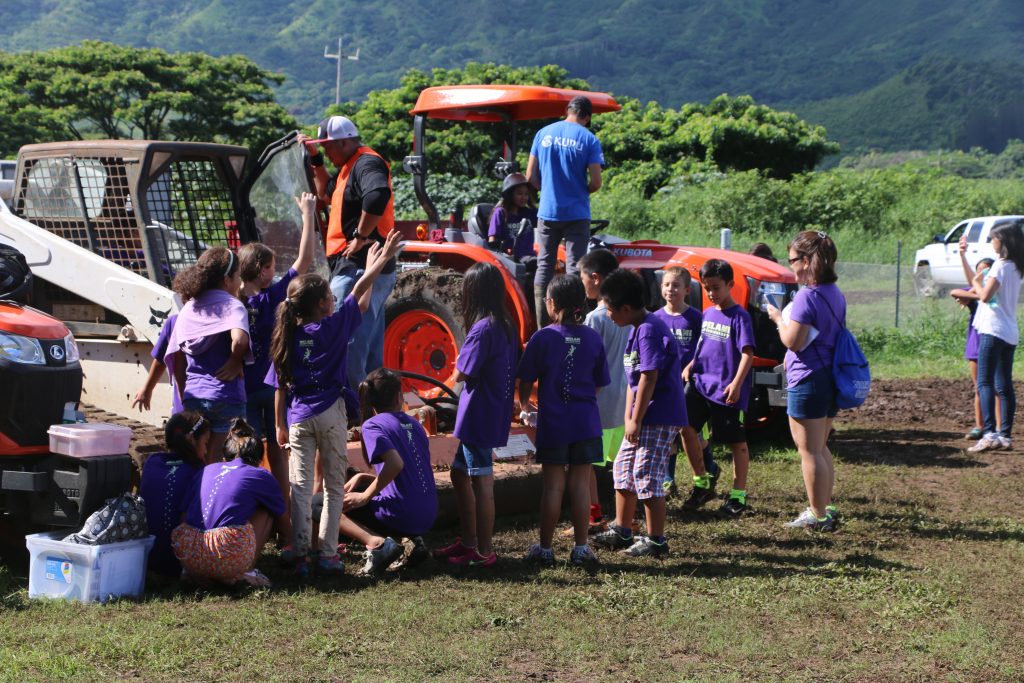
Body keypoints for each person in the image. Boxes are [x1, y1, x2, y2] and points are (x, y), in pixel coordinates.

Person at [269, 231, 402, 577]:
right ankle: (328, 555)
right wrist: (380, 262)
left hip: (299, 416)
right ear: (320, 305)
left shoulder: (288, 336)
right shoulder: (331, 329)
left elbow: (279, 385)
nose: (333, 298)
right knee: (331, 487)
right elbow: (358, 297)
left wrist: (280, 423)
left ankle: (300, 554)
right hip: (331, 414)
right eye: (329, 295)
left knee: (299, 488)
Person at [237, 191, 317, 547]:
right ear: (261, 270)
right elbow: (305, 259)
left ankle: (254, 524)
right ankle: (284, 527)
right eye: (271, 266)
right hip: (271, 391)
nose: (275, 270)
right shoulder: (272, 298)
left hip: (242, 389)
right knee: (278, 453)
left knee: (248, 456)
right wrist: (308, 214)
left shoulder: (233, 301)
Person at [592, 269, 687, 558]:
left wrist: (635, 418)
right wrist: (628, 416)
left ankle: (656, 540)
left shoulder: (649, 329)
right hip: (640, 416)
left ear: (625, 308)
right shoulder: (636, 330)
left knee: (646, 473)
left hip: (659, 415)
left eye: (609, 309)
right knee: (622, 468)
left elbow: (649, 377)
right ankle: (623, 530)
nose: (607, 315)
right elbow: (634, 379)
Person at [518, 275, 610, 567]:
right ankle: (581, 549)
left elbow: (525, 378)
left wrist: (524, 405)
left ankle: (545, 549)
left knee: (553, 487)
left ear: (552, 303)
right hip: (585, 422)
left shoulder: (543, 337)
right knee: (581, 486)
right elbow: (599, 383)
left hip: (554, 423)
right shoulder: (593, 337)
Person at [301, 116, 398, 389]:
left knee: (346, 335)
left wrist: (360, 236)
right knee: (366, 341)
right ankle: (372, 400)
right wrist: (316, 158)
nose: (328, 153)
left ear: (343, 142)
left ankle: (350, 402)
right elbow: (324, 194)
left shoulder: (366, 162)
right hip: (362, 265)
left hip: (360, 265)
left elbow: (377, 195)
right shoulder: (348, 167)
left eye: (328, 147)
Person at [432, 262, 517, 568]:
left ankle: (484, 550)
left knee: (481, 482)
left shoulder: (483, 328)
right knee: (459, 474)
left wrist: (457, 361)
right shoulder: (505, 323)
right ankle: (468, 541)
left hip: (479, 415)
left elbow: (464, 372)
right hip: (486, 412)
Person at [767, 231, 845, 530]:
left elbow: (792, 341)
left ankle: (818, 515)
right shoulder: (834, 292)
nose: (791, 268)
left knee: (809, 450)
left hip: (807, 378)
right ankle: (823, 506)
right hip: (828, 376)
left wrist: (777, 318)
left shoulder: (806, 297)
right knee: (820, 446)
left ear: (807, 260)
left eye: (792, 261)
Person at [341, 368, 438, 577]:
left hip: (403, 514)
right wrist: (361, 478)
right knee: (358, 488)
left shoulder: (372, 425)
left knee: (322, 504)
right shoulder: (414, 424)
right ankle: (413, 539)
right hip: (428, 513)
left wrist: (365, 497)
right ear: (398, 397)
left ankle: (377, 545)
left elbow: (395, 465)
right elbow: (405, 472)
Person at [680, 259, 756, 517]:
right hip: (700, 383)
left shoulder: (740, 317)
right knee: (685, 426)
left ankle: (738, 496)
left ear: (730, 285)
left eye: (716, 287)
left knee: (737, 443)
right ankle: (702, 482)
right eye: (707, 288)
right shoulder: (708, 313)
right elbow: (704, 344)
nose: (711, 293)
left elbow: (747, 354)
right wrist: (691, 364)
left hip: (726, 391)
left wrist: (736, 383)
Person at [172, 419, 285, 588]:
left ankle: (199, 574)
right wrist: (292, 542)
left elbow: (183, 514)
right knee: (267, 510)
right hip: (225, 552)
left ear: (225, 457)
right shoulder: (260, 474)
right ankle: (244, 572)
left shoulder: (207, 469)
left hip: (188, 553)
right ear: (259, 460)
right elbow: (281, 517)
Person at [165, 247, 251, 460]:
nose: (240, 282)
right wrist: (234, 360)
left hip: (195, 399)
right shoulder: (233, 306)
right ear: (226, 279)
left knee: (198, 462)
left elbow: (176, 357)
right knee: (222, 463)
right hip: (225, 397)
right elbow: (239, 339)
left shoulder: (187, 309)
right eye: (238, 276)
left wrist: (186, 392)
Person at [526, 95, 605, 326]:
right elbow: (597, 182)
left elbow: (530, 176)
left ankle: (542, 325)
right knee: (575, 268)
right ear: (587, 117)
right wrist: (579, 192)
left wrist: (548, 190)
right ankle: (573, 324)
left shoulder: (542, 134)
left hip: (548, 211)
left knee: (544, 265)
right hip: (576, 213)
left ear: (568, 110)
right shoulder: (589, 139)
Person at [650, 266, 720, 498]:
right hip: (666, 386)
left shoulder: (696, 318)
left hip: (692, 386)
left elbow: (705, 348)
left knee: (694, 435)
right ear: (661, 288)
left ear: (687, 290)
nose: (671, 289)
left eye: (676, 285)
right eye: (667, 284)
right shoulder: (656, 319)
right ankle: (669, 480)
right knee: (669, 432)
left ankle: (709, 468)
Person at [578, 249, 630, 531]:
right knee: (622, 464)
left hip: (599, 404)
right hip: (626, 403)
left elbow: (589, 364)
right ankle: (626, 515)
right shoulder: (629, 315)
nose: (581, 282)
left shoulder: (594, 320)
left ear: (595, 279)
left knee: (588, 465)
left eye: (582, 277)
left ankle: (594, 515)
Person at [966, 222, 1024, 452]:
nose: (991, 242)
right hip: (1009, 332)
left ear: (1004, 242)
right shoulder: (1017, 267)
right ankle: (1005, 436)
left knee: (985, 382)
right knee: (1004, 385)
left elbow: (984, 296)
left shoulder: (1000, 266)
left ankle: (989, 433)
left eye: (993, 238)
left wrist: (976, 283)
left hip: (993, 329)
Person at [139, 411, 208, 578]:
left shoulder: (152, 461)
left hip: (146, 559)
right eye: (206, 443)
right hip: (178, 563)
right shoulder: (198, 472)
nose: (206, 450)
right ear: (192, 440)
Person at [950, 249, 998, 440]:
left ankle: (997, 428)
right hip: (976, 344)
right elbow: (955, 292)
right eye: (979, 271)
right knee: (979, 386)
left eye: (986, 271)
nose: (982, 274)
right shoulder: (975, 294)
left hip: (994, 341)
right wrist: (978, 295)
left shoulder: (998, 291)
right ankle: (980, 426)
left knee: (996, 387)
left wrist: (980, 294)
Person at [132, 313, 183, 416]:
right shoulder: (222, 320)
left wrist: (147, 388)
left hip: (185, 404)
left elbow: (161, 359)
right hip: (217, 398)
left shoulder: (175, 321)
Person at [487, 172, 537, 261]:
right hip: (510, 259)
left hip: (530, 256)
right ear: (510, 194)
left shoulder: (529, 213)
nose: (524, 197)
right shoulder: (500, 212)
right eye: (519, 193)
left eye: (526, 194)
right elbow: (492, 240)